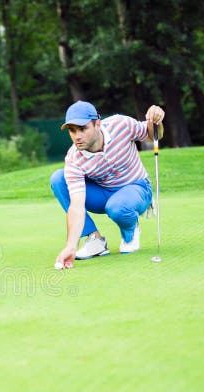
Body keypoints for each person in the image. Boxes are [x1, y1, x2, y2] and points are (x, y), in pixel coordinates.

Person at [50, 100, 164, 269]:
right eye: (72, 131)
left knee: (118, 206)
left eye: (82, 129)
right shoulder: (74, 158)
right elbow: (76, 206)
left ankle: (130, 232)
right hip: (104, 195)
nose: (77, 136)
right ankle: (95, 240)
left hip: (136, 187)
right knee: (58, 179)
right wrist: (71, 245)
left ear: (97, 124)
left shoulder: (121, 125)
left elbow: (152, 134)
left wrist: (156, 120)